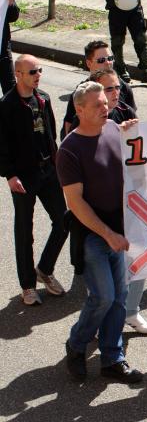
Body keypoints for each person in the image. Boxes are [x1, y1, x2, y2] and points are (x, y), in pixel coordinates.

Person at [57, 81, 143, 383]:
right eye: (97, 105)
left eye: (106, 103)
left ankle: (112, 358)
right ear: (79, 110)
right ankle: (77, 345)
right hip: (93, 235)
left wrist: (134, 135)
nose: (105, 108)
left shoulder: (112, 130)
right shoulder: (69, 149)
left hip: (119, 230)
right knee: (103, 296)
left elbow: (135, 167)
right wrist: (108, 234)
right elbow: (76, 203)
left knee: (119, 297)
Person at [0, 55, 67, 305]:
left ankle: (44, 269)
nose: (37, 75)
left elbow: (50, 131)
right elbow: (2, 144)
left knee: (63, 221)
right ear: (18, 74)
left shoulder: (44, 98)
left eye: (39, 70)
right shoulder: (6, 105)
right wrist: (10, 175)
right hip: (23, 176)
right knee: (24, 231)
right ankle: (27, 286)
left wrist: (58, 163)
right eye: (31, 72)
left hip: (48, 170)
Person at [61, 39, 136, 139]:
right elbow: (69, 128)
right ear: (89, 63)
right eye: (101, 60)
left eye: (110, 58)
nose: (108, 63)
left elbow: (133, 121)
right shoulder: (81, 93)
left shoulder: (124, 88)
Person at [0, 0, 20, 94]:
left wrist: (11, 2)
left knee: (10, 87)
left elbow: (13, 17)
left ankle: (10, 113)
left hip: (3, 49)